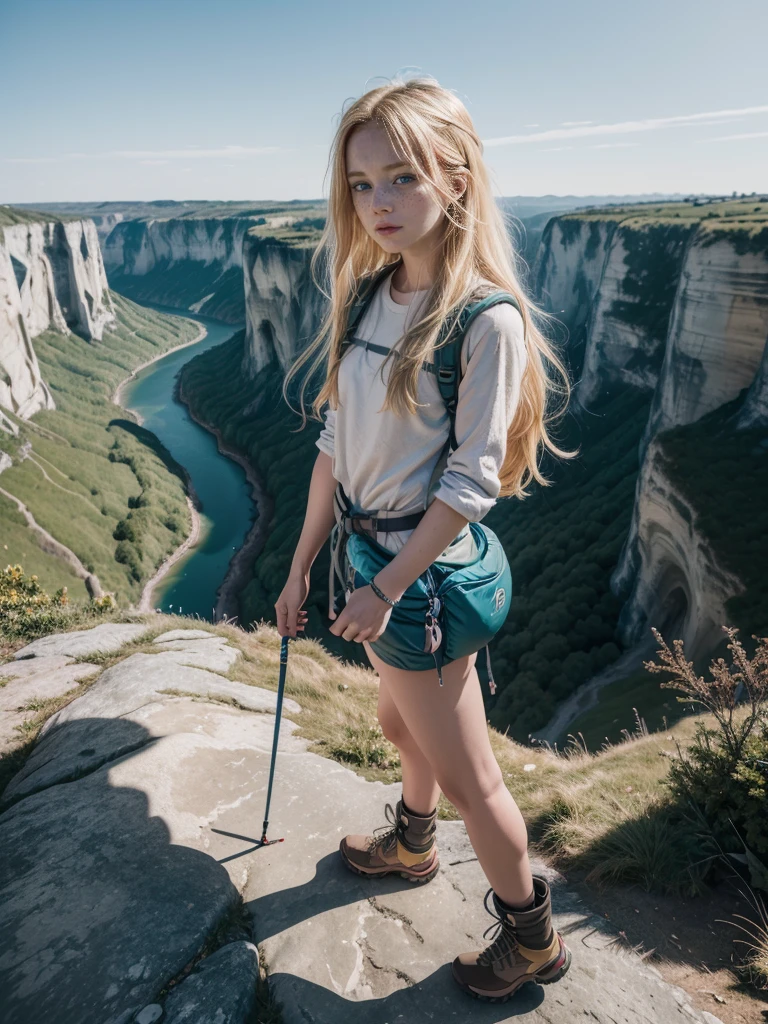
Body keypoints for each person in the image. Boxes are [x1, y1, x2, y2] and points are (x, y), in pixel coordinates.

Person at [275, 74, 576, 1003]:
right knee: (396, 721)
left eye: (402, 177)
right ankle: (412, 841)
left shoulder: (484, 322)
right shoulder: (368, 295)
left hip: (419, 577)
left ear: (456, 177)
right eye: (362, 184)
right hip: (371, 561)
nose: (379, 204)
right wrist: (297, 576)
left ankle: (530, 938)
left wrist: (386, 589)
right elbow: (335, 449)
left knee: (474, 777)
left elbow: (469, 485)